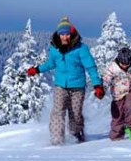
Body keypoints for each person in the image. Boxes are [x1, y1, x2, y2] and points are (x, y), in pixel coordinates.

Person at [27, 17, 105, 145]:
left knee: (75, 115)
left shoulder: (81, 48)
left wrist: (97, 85)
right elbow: (51, 63)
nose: (65, 37)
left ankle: (76, 137)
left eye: (67, 34)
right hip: (60, 86)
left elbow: (90, 67)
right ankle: (57, 140)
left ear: (72, 33)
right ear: (58, 34)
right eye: (62, 34)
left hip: (77, 87)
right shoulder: (54, 48)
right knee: (58, 111)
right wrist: (37, 70)